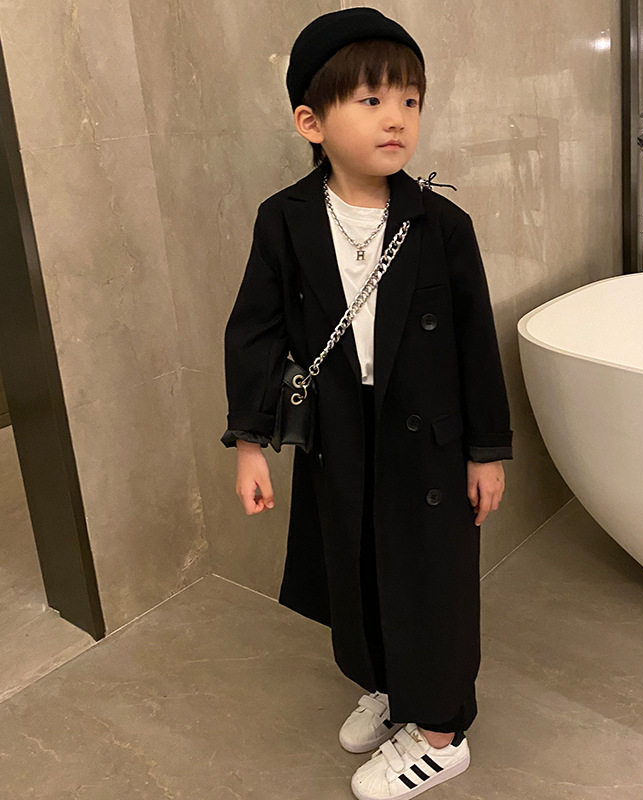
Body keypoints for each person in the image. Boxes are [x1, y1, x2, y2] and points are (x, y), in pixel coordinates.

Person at [220, 8, 513, 798]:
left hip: (431, 438)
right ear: (311, 122)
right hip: (341, 431)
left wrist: (486, 451)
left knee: (433, 583)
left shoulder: (441, 224)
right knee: (359, 568)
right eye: (372, 100)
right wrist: (250, 443)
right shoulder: (285, 221)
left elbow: (476, 344)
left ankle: (442, 733)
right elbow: (255, 333)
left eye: (410, 100)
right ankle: (391, 687)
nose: (397, 118)